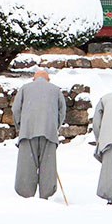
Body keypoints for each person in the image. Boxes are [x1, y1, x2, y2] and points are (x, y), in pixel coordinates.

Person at [11, 70, 66, 199]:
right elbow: (62, 111)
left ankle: (26, 194)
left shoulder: (25, 89)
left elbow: (15, 110)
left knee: (27, 164)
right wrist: (54, 126)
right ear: (48, 79)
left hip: (28, 131)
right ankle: (46, 194)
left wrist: (21, 126)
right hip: (49, 132)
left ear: (33, 79)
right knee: (48, 165)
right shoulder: (55, 90)